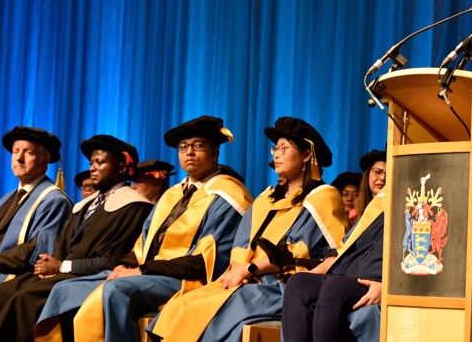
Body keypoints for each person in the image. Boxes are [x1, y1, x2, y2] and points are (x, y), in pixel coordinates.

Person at [36, 116, 253, 342]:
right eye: (183, 147)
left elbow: (205, 263)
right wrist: (124, 265)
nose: (189, 152)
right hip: (150, 272)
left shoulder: (229, 197)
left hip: (189, 280)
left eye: (198, 146)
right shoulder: (173, 194)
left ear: (215, 153)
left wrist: (143, 270)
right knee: (64, 290)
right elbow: (143, 241)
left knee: (114, 292)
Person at [147, 116, 348, 342]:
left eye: (284, 148)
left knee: (213, 312)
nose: (276, 154)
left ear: (307, 155)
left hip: (281, 285)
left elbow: (314, 253)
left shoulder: (323, 197)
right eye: (275, 148)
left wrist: (249, 270)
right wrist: (238, 271)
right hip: (246, 279)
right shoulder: (267, 197)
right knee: (184, 303)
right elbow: (241, 244)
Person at [0, 134, 152, 342]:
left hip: (90, 276)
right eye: (91, 163)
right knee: (1, 293)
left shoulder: (133, 207)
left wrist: (61, 267)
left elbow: (111, 259)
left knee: (24, 300)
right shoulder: (84, 206)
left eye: (100, 162)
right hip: (61, 273)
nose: (93, 168)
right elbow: (61, 246)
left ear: (122, 167)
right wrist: (48, 266)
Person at [282, 148, 388, 342]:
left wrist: (387, 286)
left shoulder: (406, 206)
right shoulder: (365, 215)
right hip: (348, 273)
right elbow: (340, 253)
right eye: (377, 172)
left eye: (388, 173)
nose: (382, 178)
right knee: (298, 283)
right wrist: (312, 273)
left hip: (372, 279)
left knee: (334, 286)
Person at [0, 127, 72, 284]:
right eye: (16, 151)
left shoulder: (55, 201)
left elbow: (36, 252)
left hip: (17, 278)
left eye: (28, 152)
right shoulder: (7, 198)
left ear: (44, 162)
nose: (19, 158)